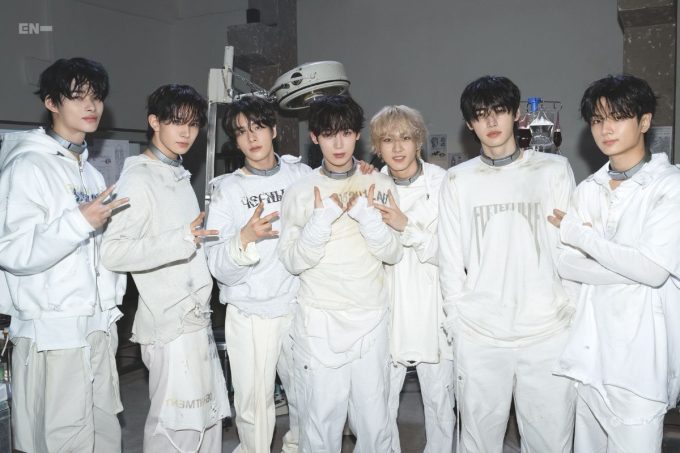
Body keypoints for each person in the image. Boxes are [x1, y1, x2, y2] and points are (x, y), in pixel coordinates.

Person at [438, 75, 577, 452]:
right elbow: (449, 259)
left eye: (499, 110)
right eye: (480, 114)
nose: (491, 121)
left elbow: (571, 247)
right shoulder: (457, 180)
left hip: (547, 331)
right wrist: (459, 321)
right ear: (470, 124)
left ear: (516, 114)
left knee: (551, 442)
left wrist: (569, 310)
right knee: (478, 442)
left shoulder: (553, 170)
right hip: (480, 334)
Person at [0, 57, 128, 453]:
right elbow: (11, 250)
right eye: (77, 97)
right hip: (54, 330)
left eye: (97, 97)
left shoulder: (89, 172)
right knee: (63, 439)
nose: (91, 106)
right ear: (52, 103)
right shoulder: (28, 166)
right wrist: (78, 222)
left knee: (104, 432)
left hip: (97, 324)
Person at [549, 75, 680, 453]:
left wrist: (582, 237)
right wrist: (628, 265)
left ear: (644, 121)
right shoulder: (587, 188)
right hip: (589, 360)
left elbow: (652, 271)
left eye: (618, 117)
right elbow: (565, 265)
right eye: (597, 120)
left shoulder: (669, 186)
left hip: (640, 367)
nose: (605, 129)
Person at [101, 84, 230, 452]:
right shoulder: (140, 177)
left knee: (207, 420)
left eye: (193, 124)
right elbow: (113, 252)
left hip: (195, 318)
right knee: (175, 428)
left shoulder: (175, 171)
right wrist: (182, 239)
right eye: (176, 122)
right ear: (154, 122)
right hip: (168, 325)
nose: (186, 132)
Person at [277, 95, 402, 453]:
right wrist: (318, 225)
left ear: (357, 135)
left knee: (375, 421)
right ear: (314, 137)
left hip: (370, 316)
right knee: (320, 422)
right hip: (319, 319)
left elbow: (393, 252)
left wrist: (369, 220)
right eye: (329, 134)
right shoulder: (300, 192)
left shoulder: (379, 184)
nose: (338, 144)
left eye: (346, 133)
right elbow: (292, 261)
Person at [205, 94, 309, 453]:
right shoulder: (228, 191)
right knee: (253, 405)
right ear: (235, 141)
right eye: (241, 132)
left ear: (274, 130)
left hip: (298, 305)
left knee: (307, 395)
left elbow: (338, 181)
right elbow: (216, 265)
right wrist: (244, 238)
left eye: (258, 127)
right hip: (251, 312)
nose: (251, 137)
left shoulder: (300, 175)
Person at [369, 105, 454, 453]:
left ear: (419, 141)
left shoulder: (444, 183)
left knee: (440, 404)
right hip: (389, 307)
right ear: (377, 147)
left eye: (405, 137)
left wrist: (407, 227)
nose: (398, 147)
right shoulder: (371, 185)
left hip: (435, 308)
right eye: (388, 140)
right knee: (381, 405)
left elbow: (452, 255)